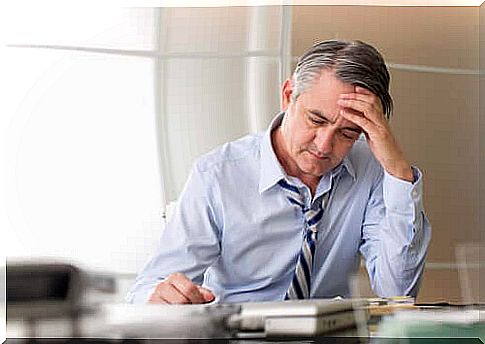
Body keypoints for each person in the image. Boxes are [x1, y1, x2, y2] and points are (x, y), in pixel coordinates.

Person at [126, 40, 431, 304]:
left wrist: (398, 171)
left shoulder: (374, 170)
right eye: (316, 119)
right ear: (288, 96)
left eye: (348, 133)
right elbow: (149, 288)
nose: (324, 146)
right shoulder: (217, 175)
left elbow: (398, 291)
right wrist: (164, 297)